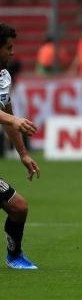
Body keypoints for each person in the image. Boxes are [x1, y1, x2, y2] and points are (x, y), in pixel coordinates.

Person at [0, 23, 40, 269]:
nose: (12, 52)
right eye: (8, 47)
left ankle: (14, 256)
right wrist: (13, 119)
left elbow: (6, 113)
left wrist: (23, 154)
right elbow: (10, 118)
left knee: (18, 208)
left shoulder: (3, 76)